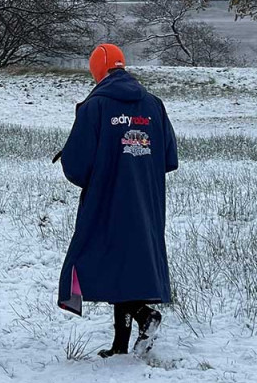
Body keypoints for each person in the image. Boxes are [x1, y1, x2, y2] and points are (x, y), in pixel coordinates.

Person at [57, 43, 178, 358]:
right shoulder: (154, 104)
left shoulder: (94, 107)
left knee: (98, 258)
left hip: (107, 197)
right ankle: (120, 345)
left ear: (97, 71)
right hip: (147, 199)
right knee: (129, 264)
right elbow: (169, 157)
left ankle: (143, 315)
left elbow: (77, 166)